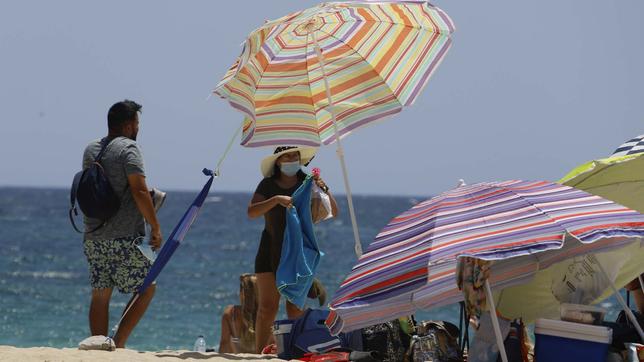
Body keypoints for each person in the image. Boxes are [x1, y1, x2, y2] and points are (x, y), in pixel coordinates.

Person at [81, 100, 162, 348]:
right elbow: (139, 191)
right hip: (124, 235)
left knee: (101, 293)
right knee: (147, 287)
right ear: (128, 125)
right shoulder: (129, 148)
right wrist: (155, 227)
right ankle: (119, 342)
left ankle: (99, 346)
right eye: (137, 123)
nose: (138, 128)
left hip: (94, 234)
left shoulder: (91, 149)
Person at [248, 146, 338, 353]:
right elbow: (251, 211)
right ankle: (258, 354)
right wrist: (276, 200)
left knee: (294, 307)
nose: (291, 159)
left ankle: (296, 350)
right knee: (267, 308)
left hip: (299, 253)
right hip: (269, 249)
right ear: (277, 161)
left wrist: (325, 189)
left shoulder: (307, 183)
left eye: (295, 156)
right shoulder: (268, 184)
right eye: (286, 156)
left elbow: (333, 211)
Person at [218, 274, 329, 353]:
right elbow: (271, 344)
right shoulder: (265, 316)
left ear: (242, 293)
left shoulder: (230, 313)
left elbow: (224, 343)